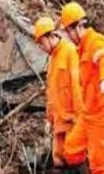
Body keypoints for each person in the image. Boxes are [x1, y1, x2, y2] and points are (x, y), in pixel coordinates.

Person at [61, 2, 104, 174]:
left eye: (68, 32)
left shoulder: (96, 41)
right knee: (71, 150)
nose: (68, 37)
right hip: (89, 113)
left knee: (100, 167)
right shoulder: (80, 50)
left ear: (77, 27)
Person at [33, 17, 84, 171]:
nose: (41, 47)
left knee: (77, 159)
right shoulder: (52, 59)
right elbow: (51, 93)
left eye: (42, 43)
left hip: (72, 120)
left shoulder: (69, 52)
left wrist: (80, 118)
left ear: (51, 36)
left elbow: (77, 87)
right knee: (59, 162)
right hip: (59, 122)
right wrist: (49, 119)